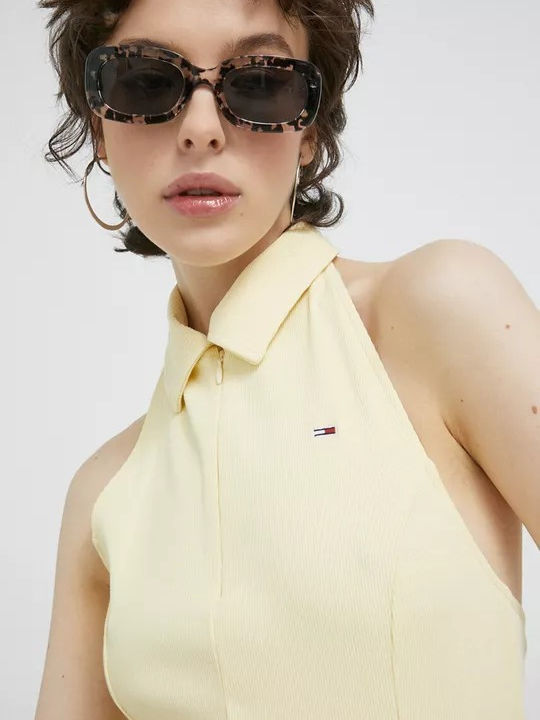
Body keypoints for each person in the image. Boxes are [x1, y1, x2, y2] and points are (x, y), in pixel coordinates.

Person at [35, 1, 532, 719]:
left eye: (260, 82)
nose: (201, 128)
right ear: (100, 129)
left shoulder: (439, 311)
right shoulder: (104, 492)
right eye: (145, 81)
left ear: (312, 128)